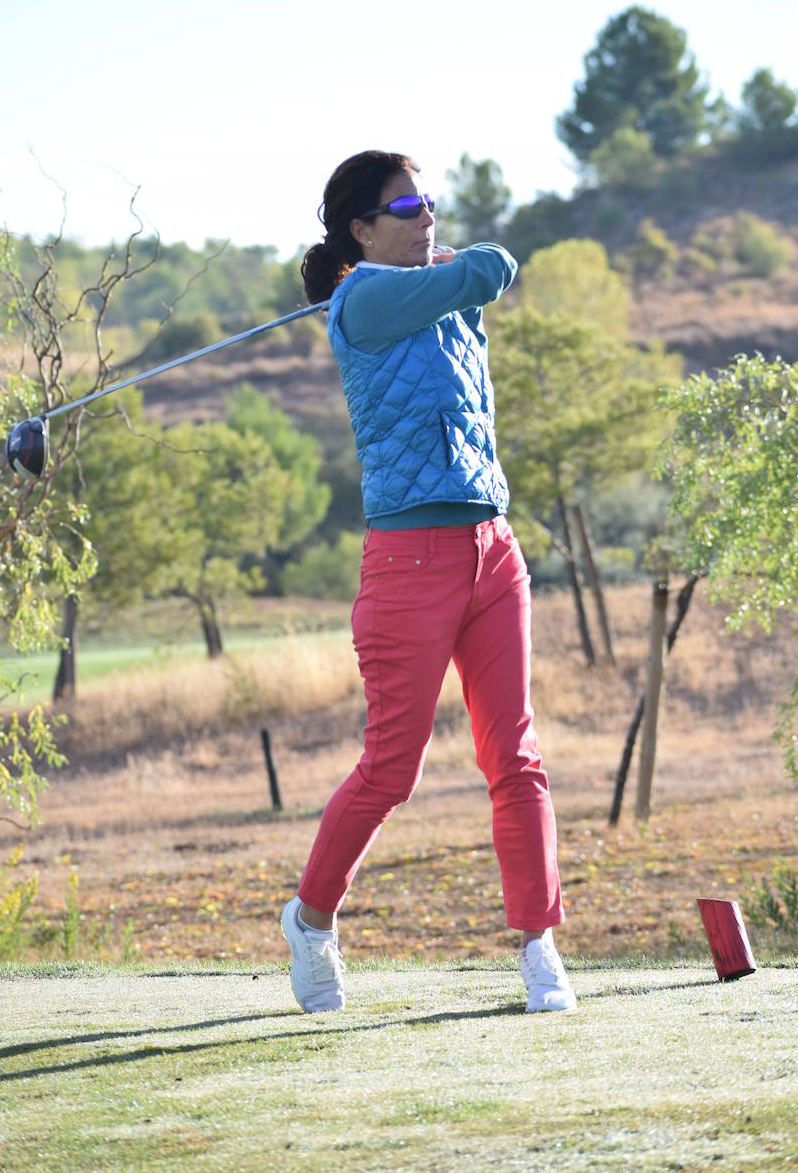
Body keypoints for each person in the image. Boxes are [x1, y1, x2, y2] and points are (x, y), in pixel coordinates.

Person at [280, 149, 575, 1015]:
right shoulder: (363, 299)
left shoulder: (441, 299)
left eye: (429, 201)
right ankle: (311, 920)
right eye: (404, 207)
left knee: (514, 756)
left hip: (493, 547)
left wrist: (445, 271)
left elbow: (471, 287)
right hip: (409, 564)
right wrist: (451, 269)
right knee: (391, 770)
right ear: (362, 231)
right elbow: (496, 265)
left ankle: (539, 944)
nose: (425, 215)